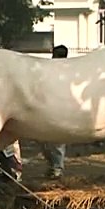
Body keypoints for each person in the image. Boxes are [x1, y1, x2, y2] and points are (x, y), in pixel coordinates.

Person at [40, 45, 68, 179]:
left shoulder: (68, 71)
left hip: (60, 108)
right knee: (43, 140)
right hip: (47, 107)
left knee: (57, 140)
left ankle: (57, 168)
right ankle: (53, 165)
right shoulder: (49, 70)